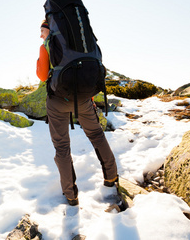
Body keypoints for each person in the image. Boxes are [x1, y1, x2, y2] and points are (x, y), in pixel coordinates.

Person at [36, 19, 124, 209]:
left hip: (57, 101)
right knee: (97, 134)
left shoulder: (47, 46)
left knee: (62, 146)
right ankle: (111, 176)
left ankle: (71, 196)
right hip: (83, 99)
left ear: (50, 29)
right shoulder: (79, 44)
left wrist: (42, 56)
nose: (40, 35)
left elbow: (43, 76)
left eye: (42, 30)